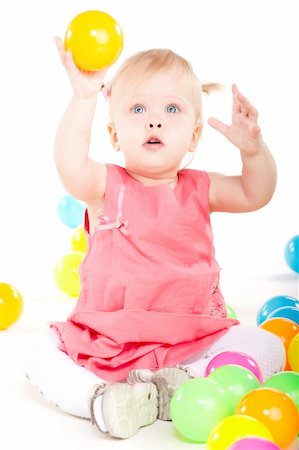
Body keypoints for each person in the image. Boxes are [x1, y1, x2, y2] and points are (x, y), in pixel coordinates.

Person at [23, 36, 285, 439]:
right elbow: (70, 163)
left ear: (194, 137)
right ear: (114, 135)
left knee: (267, 347)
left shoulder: (201, 188)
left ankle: (178, 384)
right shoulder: (107, 186)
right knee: (40, 352)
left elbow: (256, 193)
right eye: (138, 108)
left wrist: (253, 152)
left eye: (172, 109)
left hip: (192, 336)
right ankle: (100, 400)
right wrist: (84, 97)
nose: (154, 120)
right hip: (107, 340)